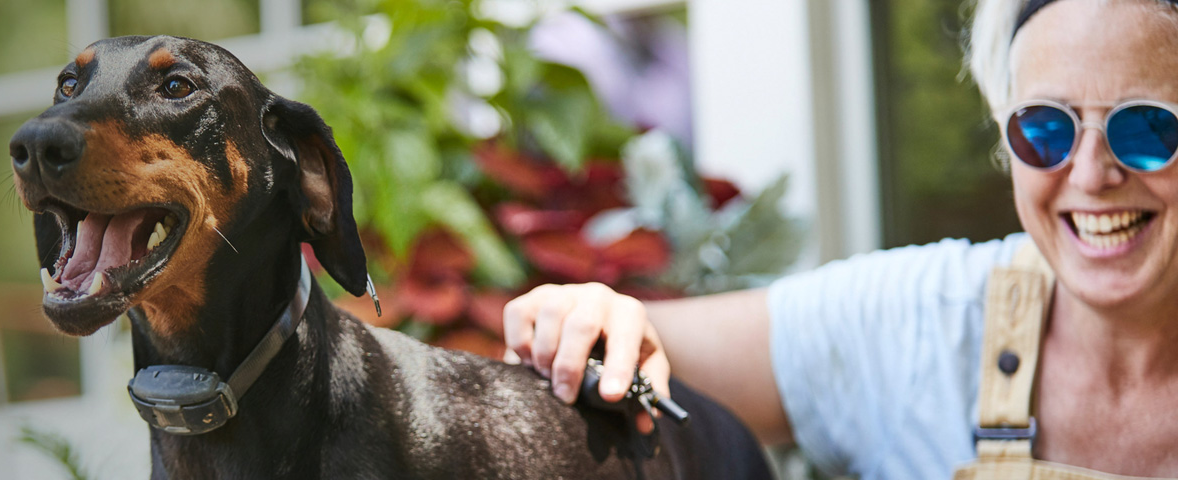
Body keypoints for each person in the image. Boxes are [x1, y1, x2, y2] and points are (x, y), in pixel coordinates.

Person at [502, 0, 1178, 478]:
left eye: (1148, 130)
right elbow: (648, 348)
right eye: (1046, 129)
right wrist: (595, 316)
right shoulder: (926, 325)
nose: (1090, 174)